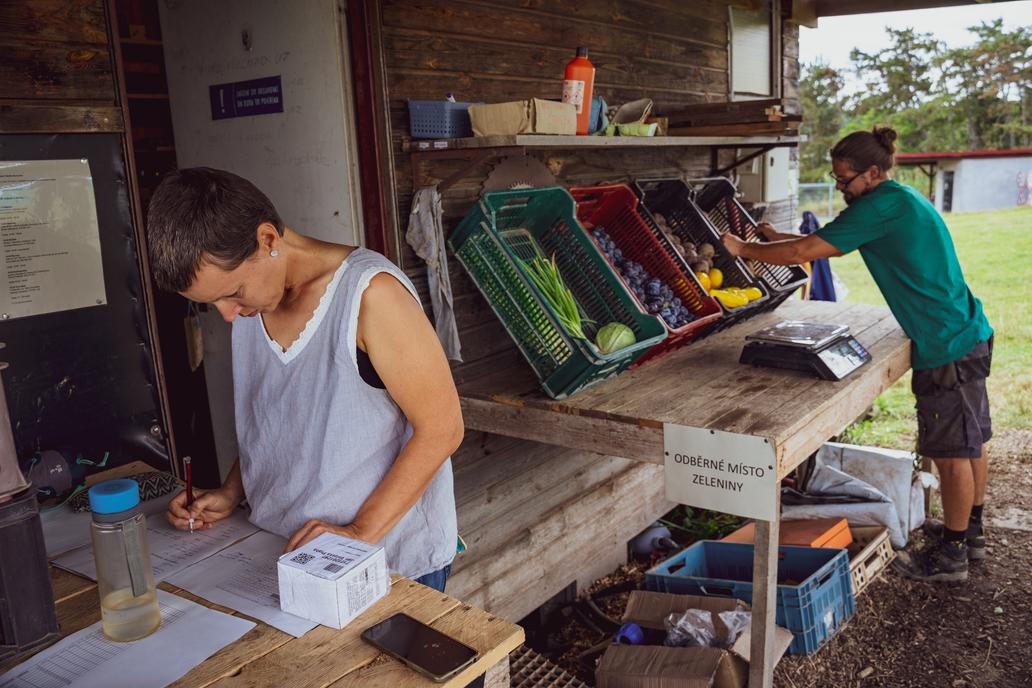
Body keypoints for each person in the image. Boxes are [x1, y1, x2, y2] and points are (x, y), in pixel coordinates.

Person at [146, 167, 464, 593]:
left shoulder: (370, 295)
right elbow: (274, 417)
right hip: (284, 550)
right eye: (212, 303)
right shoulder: (253, 305)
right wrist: (231, 491)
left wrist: (358, 534)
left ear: (268, 240)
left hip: (385, 560)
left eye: (233, 292)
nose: (226, 314)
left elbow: (442, 429)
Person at [722, 126, 993, 583]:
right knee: (970, 442)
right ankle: (972, 534)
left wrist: (746, 248)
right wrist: (773, 236)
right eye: (834, 179)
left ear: (872, 172)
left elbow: (808, 251)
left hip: (945, 343)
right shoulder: (895, 201)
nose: (839, 187)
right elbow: (828, 244)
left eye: (844, 180)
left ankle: (952, 556)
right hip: (966, 332)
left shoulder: (879, 207)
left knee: (952, 454)